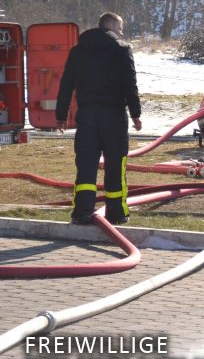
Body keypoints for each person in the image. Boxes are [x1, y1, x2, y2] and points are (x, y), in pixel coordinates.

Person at [56, 12, 142, 225]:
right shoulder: (122, 50)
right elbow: (130, 85)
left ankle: (82, 212)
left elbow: (66, 85)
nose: (122, 32)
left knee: (85, 164)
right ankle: (117, 213)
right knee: (115, 165)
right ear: (111, 25)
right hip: (114, 116)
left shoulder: (78, 51)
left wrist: (60, 116)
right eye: (120, 27)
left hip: (86, 116)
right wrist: (136, 114)